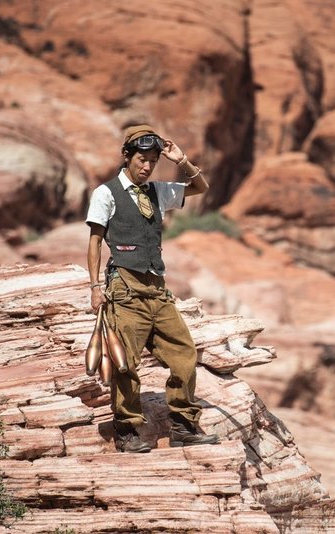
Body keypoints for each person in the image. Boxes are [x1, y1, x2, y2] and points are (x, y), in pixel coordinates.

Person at [85, 124, 220, 453]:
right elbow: (95, 242)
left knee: (185, 354)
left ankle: (183, 426)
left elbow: (199, 187)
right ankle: (127, 430)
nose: (147, 167)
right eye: (142, 160)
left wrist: (181, 160)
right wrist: (94, 286)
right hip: (125, 288)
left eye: (152, 162)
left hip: (157, 290)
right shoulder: (106, 194)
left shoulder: (157, 191)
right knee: (126, 364)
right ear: (127, 158)